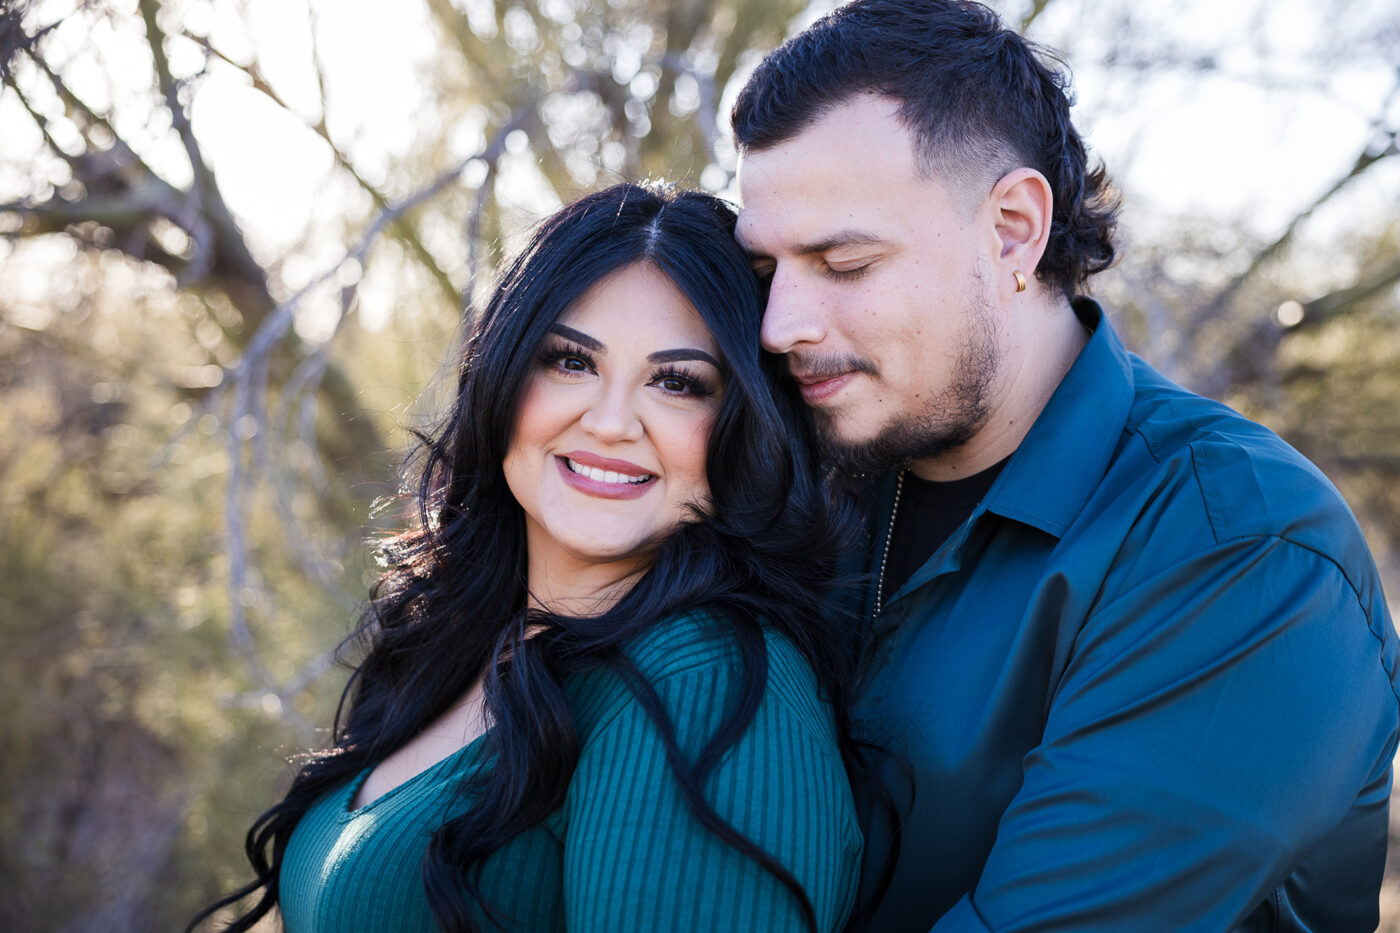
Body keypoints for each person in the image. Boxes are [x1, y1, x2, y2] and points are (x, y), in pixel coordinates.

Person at [729, 1, 1400, 931]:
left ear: (1013, 229)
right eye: (765, 273)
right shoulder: (808, 479)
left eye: (843, 262)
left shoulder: (1245, 546)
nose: (780, 325)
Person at [188, 183, 867, 933]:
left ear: (746, 424)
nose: (610, 422)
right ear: (505, 377)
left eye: (677, 382)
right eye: (571, 361)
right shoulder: (477, 637)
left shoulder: (707, 686)